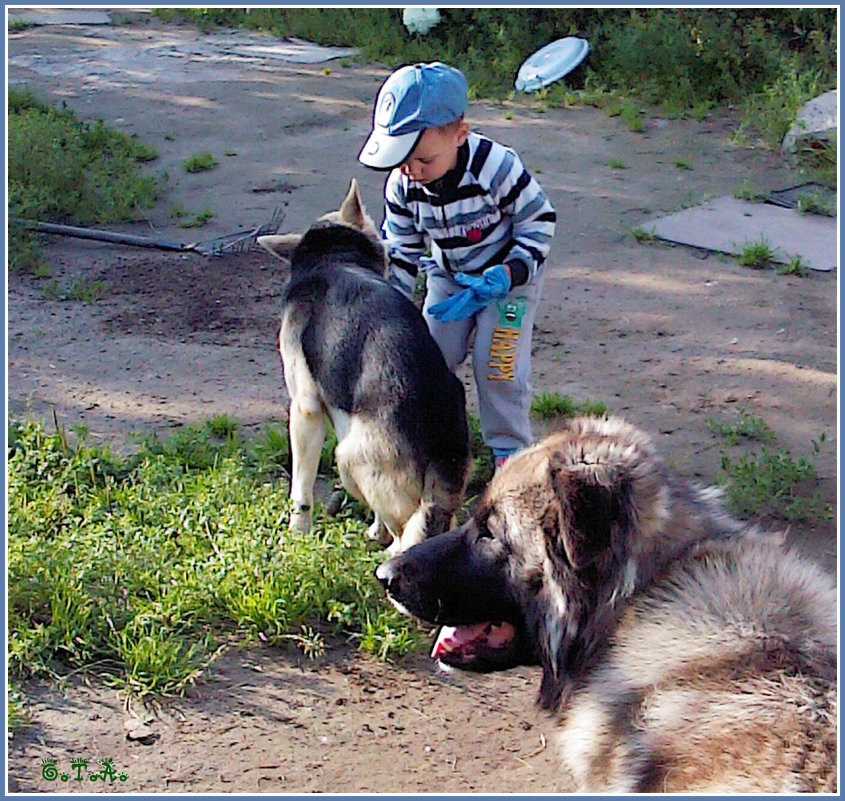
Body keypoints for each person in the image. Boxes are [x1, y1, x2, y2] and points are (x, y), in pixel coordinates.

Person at [358, 62, 556, 469]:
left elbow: (539, 220)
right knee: (429, 355)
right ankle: (433, 436)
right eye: (401, 160)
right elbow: (401, 249)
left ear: (460, 135)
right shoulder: (403, 185)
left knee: (496, 364)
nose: (412, 172)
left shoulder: (495, 167)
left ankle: (511, 453)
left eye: (423, 160)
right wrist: (393, 311)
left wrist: (509, 273)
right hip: (449, 278)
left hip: (508, 280)